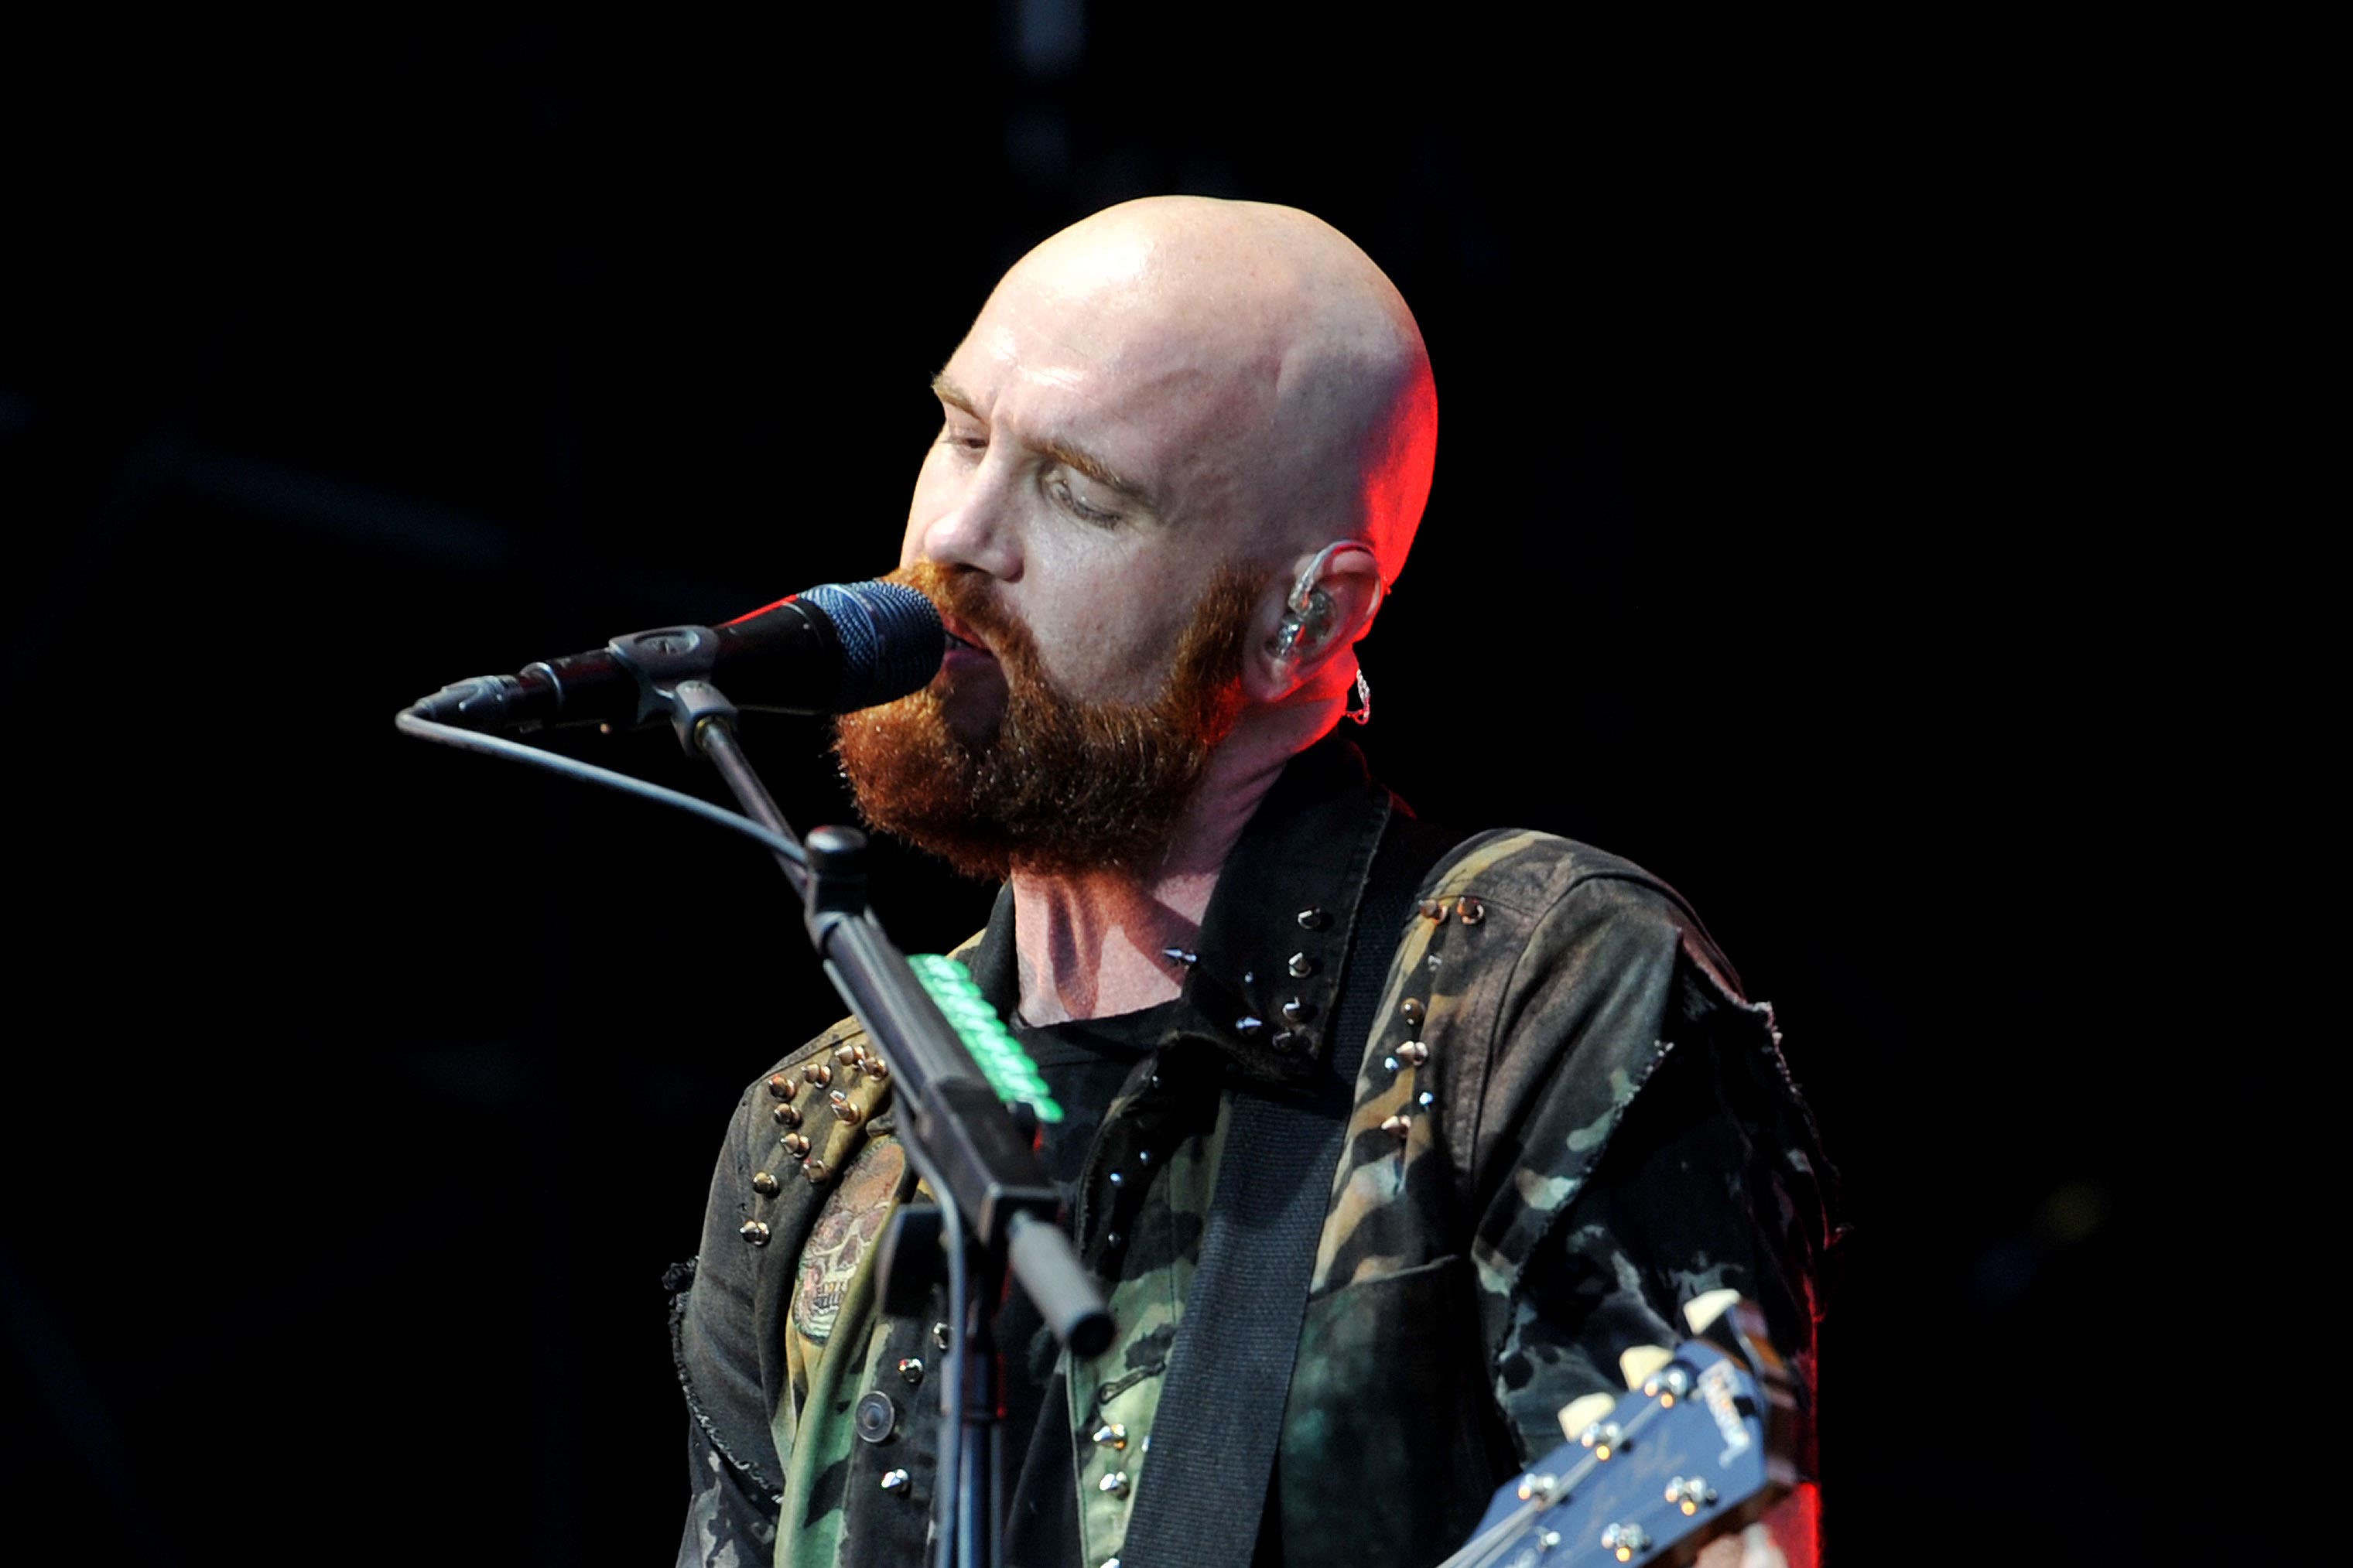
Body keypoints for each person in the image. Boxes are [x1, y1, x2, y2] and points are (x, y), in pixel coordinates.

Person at [672, 196, 1836, 1568]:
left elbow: (1698, 1513)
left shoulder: (1523, 992)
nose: (959, 540)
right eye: (963, 433)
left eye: (1078, 491)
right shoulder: (825, 1128)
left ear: (1311, 617)